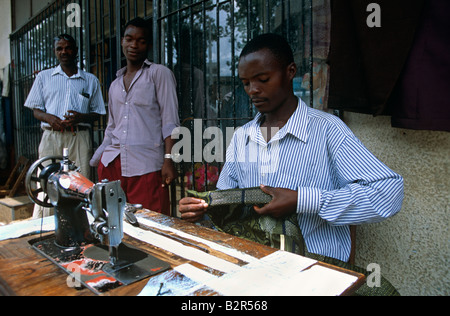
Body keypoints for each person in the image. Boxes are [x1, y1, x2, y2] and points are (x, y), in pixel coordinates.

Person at [179, 33, 404, 264]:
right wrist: (204, 208)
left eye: (263, 79)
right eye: (246, 83)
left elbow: (388, 193)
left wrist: (303, 200)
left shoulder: (327, 130)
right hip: (257, 262)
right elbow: (228, 202)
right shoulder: (241, 137)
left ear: (290, 71)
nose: (252, 90)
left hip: (316, 268)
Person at [90, 18, 179, 216]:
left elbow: (170, 121)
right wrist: (98, 160)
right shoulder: (114, 85)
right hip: (113, 164)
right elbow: (111, 128)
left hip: (146, 165)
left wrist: (168, 160)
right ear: (122, 41)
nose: (134, 45)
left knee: (151, 224)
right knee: (115, 222)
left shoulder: (159, 74)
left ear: (148, 45)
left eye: (141, 41)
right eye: (129, 39)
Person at [24, 33, 106, 218]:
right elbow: (35, 110)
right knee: (46, 181)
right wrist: (49, 118)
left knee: (81, 182)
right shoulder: (44, 77)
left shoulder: (90, 80)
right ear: (55, 52)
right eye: (59, 48)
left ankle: (81, 227)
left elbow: (98, 112)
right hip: (51, 136)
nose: (64, 52)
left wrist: (80, 117)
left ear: (75, 51)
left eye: (68, 48)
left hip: (79, 137)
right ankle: (43, 226)